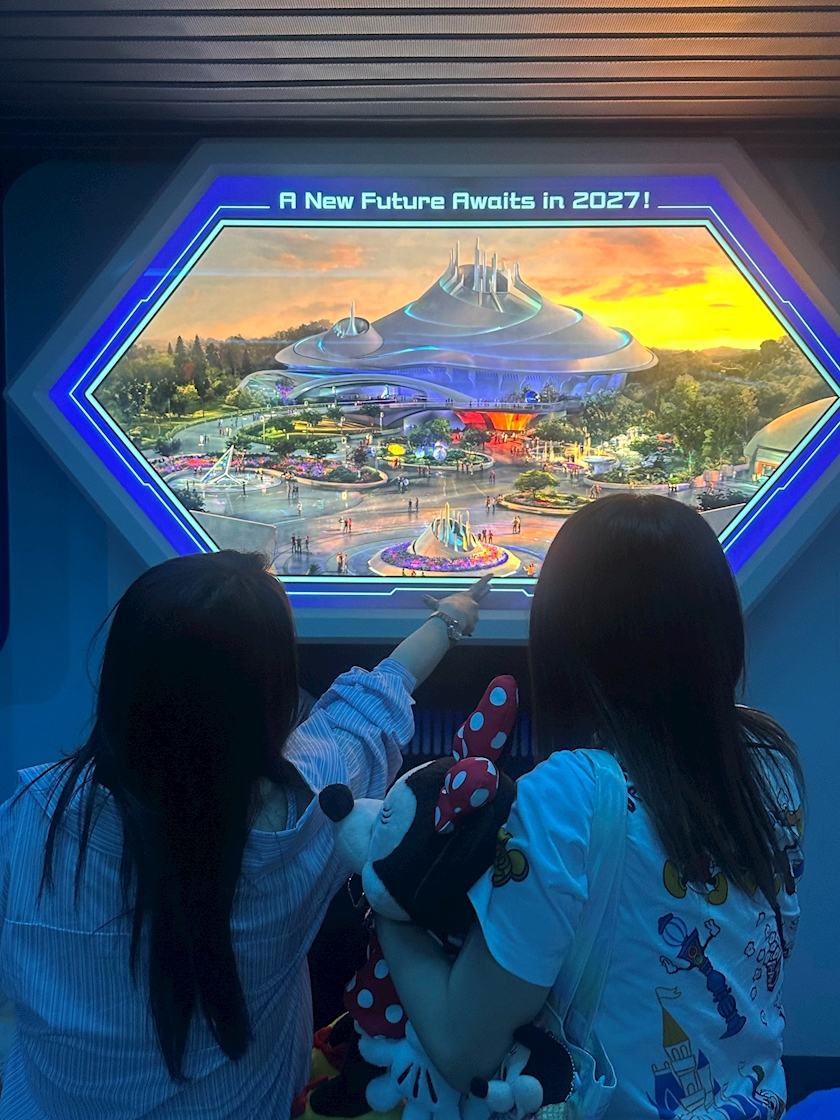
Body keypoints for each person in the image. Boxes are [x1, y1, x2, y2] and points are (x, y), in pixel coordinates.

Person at [0, 551, 490, 1119]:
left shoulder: (29, 818)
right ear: (275, 695)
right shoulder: (313, 803)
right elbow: (378, 698)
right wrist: (450, 618)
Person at [380, 494, 804, 1118]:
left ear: (563, 639)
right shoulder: (770, 758)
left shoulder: (569, 796)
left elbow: (463, 1048)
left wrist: (385, 895)